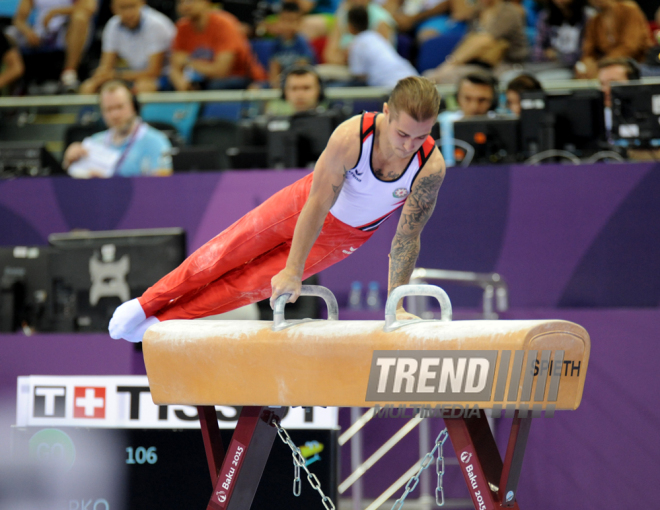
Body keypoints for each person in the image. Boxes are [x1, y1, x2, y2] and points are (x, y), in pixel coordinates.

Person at [108, 76, 445, 342]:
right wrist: (293, 269)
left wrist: (397, 303)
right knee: (223, 254)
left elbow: (407, 237)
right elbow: (318, 203)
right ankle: (145, 304)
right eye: (402, 133)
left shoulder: (429, 167)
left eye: (420, 137)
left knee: (243, 288)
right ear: (386, 111)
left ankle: (160, 322)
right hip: (300, 205)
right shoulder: (353, 136)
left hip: (343, 237)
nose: (408, 145)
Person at [62, 80, 172, 178]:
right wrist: (69, 162)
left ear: (134, 106)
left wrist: (110, 184)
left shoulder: (156, 141)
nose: (115, 115)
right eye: (109, 109)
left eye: (120, 107)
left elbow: (160, 187)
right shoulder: (94, 142)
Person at [80, 0, 175, 94]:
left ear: (142, 4)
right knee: (88, 86)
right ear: (113, 8)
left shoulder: (156, 25)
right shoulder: (112, 25)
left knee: (143, 87)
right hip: (130, 75)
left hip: (164, 77)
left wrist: (115, 76)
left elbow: (154, 72)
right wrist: (100, 76)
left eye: (132, 6)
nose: (128, 13)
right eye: (123, 7)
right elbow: (106, 66)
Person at [423, 0, 528, 84]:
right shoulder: (478, 11)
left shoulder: (508, 12)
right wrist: (448, 65)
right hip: (480, 63)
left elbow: (485, 41)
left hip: (506, 65)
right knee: (429, 74)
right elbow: (469, 40)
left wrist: (451, 64)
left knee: (449, 77)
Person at [169, 0, 266, 91]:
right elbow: (175, 66)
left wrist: (188, 61)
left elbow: (221, 72)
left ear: (206, 2)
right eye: (180, 2)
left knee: (215, 85)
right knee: (169, 85)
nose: (185, 5)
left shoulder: (224, 24)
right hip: (203, 78)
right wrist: (182, 85)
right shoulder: (182, 27)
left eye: (190, 1)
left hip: (242, 78)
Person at [9, 0, 96, 91]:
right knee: (8, 35)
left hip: (67, 31)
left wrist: (55, 12)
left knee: (80, 18)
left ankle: (69, 73)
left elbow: (89, 8)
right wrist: (27, 32)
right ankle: (11, 87)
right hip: (40, 32)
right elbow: (19, 20)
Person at [575, 0, 652, 79]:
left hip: (638, 65)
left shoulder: (629, 10)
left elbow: (630, 46)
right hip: (606, 66)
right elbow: (588, 51)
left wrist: (600, 65)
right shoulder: (595, 21)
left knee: (612, 73)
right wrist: (586, 65)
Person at [346, 5, 418, 88]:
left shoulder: (357, 44)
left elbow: (359, 76)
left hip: (393, 86)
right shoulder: (376, 36)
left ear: (350, 26)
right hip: (412, 77)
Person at [531, 0, 587, 77]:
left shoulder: (586, 17)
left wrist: (558, 56)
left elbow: (585, 51)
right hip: (548, 66)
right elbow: (538, 50)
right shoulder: (545, 16)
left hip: (575, 67)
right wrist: (546, 55)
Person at [268, 2, 316, 89]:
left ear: (299, 23)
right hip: (282, 83)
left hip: (298, 82)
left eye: (291, 21)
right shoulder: (276, 43)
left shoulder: (302, 43)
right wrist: (275, 85)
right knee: (255, 87)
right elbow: (274, 69)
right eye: (283, 20)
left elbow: (301, 69)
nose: (287, 25)